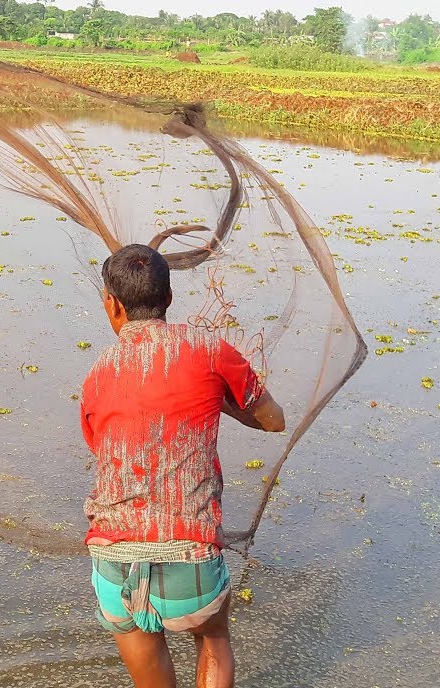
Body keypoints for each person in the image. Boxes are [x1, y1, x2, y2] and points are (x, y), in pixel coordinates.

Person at [80, 244, 286, 688]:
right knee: (212, 638)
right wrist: (222, 400)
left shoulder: (98, 373)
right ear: (169, 299)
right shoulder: (211, 349)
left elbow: (103, 449)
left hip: (113, 561)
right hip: (189, 555)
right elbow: (274, 421)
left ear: (112, 304)